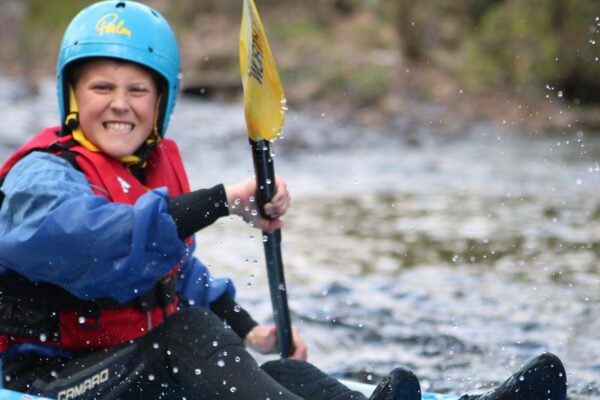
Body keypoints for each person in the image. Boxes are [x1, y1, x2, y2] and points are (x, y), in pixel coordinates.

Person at [0, 2, 567, 400]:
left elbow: (173, 279)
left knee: (284, 372)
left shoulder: (145, 174)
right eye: (101, 87)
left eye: (137, 90)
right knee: (187, 335)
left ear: (162, 101)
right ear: (71, 96)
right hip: (51, 380)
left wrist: (250, 331)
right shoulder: (43, 178)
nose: (119, 104)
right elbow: (91, 237)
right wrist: (221, 200)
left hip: (130, 366)